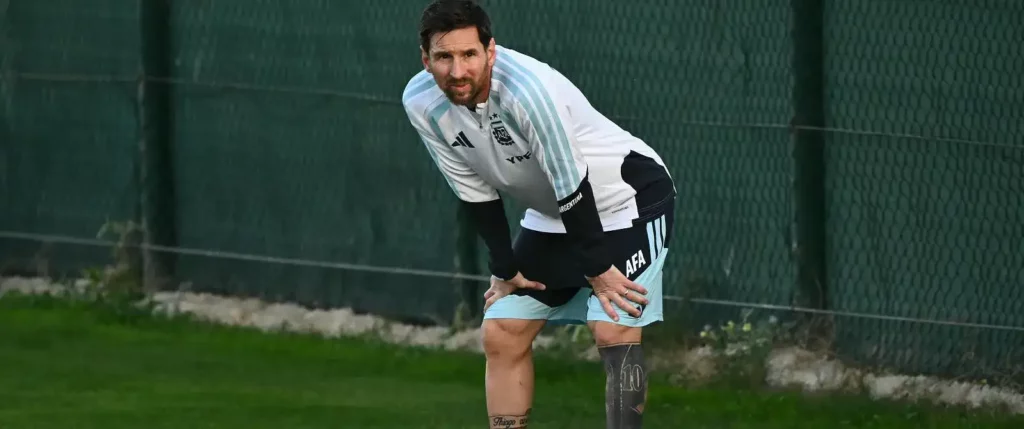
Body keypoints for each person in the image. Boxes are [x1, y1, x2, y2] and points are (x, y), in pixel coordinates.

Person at [401, 1, 676, 428]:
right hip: (554, 213)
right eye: (444, 57)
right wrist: (504, 266)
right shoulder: (420, 102)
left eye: (469, 55)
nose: (457, 71)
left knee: (613, 327)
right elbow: (474, 190)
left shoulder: (528, 91)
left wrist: (598, 267)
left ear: (490, 51)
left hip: (628, 200)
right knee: (502, 329)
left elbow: (572, 183)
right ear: (426, 59)